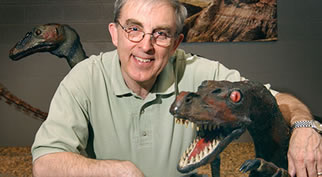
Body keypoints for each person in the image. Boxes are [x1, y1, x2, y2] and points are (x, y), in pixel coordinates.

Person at [31, 0, 322, 176]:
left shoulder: (203, 73)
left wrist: (305, 126)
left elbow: (272, 99)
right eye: (133, 29)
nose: (145, 45)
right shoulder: (84, 77)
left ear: (176, 43)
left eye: (161, 34)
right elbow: (45, 164)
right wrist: (115, 171)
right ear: (114, 34)